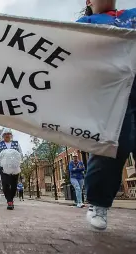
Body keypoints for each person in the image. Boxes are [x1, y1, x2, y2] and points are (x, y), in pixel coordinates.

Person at [77, 1, 136, 230]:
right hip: (110, 92)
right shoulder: (85, 24)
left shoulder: (132, 15)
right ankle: (98, 203)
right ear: (88, 2)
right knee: (111, 144)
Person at [0, 128, 23, 210]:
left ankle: (11, 198)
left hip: (14, 167)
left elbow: (21, 154)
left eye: (9, 134)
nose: (7, 135)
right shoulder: (0, 145)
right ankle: (9, 201)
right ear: (3, 136)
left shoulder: (16, 143)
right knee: (5, 183)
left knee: (14, 184)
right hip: (3, 167)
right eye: (5, 134)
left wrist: (16, 158)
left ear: (11, 135)